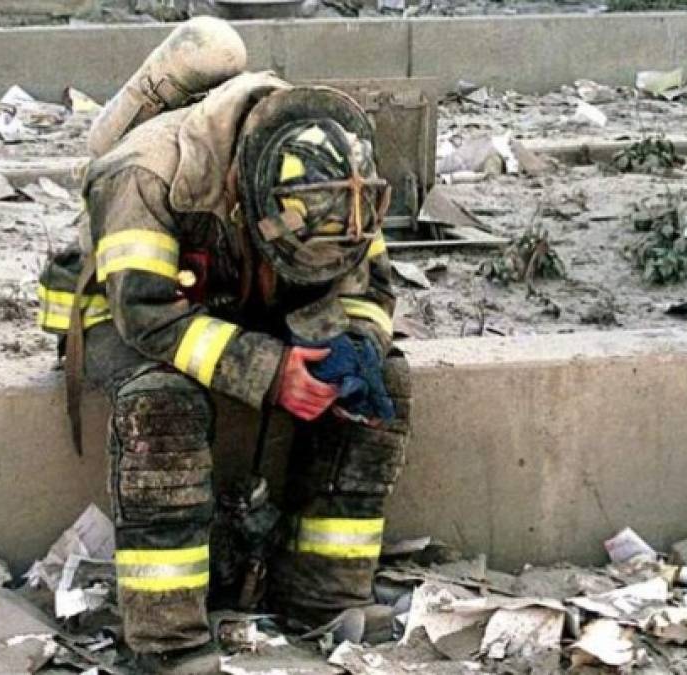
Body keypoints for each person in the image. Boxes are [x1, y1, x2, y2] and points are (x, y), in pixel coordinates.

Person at [38, 18, 411, 674]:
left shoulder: (334, 176)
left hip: (236, 297)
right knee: (163, 401)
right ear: (247, 205)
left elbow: (370, 288)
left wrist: (356, 344)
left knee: (383, 384)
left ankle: (321, 598)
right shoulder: (147, 173)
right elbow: (147, 316)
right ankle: (169, 640)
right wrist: (269, 371)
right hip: (120, 313)